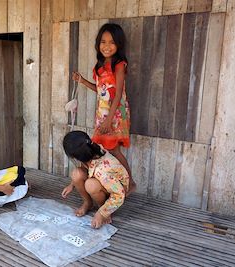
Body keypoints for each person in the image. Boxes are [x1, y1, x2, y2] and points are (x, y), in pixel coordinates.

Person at [72, 23, 136, 194]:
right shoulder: (99, 66)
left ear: (119, 45)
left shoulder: (120, 65)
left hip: (115, 114)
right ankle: (104, 184)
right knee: (101, 147)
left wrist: (109, 120)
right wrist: (82, 81)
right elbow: (102, 91)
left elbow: (117, 94)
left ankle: (130, 182)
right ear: (98, 44)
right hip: (103, 113)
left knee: (114, 149)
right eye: (103, 42)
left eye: (112, 42)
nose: (107, 46)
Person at [61, 131, 129, 229]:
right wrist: (72, 184)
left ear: (74, 157)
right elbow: (84, 167)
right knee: (76, 174)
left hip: (115, 189)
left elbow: (119, 195)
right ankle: (88, 203)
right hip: (105, 181)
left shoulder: (103, 171)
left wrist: (101, 214)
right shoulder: (89, 149)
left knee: (91, 185)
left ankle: (103, 208)